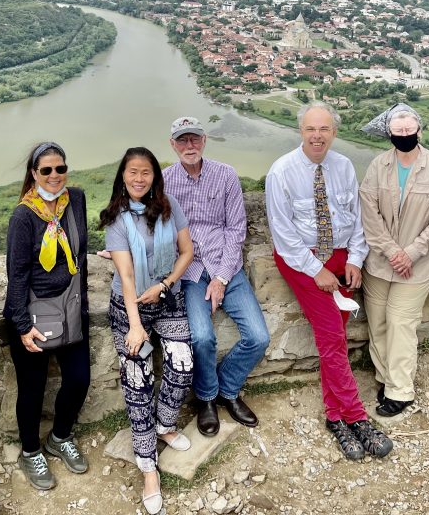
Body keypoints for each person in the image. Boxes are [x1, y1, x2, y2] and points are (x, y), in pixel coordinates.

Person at [265, 103, 393, 462]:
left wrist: (355, 259)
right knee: (334, 337)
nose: (317, 136)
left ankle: (335, 417)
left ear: (334, 132)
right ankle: (356, 416)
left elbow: (355, 219)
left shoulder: (344, 166)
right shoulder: (282, 172)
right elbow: (284, 235)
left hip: (338, 254)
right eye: (310, 129)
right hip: (300, 258)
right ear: (300, 131)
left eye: (324, 129)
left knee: (332, 338)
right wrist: (315, 269)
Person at [100, 147, 195, 515]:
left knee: (183, 365)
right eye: (132, 172)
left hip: (167, 296)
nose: (139, 179)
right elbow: (125, 275)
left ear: (155, 175)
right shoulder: (117, 218)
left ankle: (164, 424)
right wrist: (136, 324)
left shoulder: (168, 206)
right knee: (137, 381)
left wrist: (166, 284)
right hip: (130, 308)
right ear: (123, 175)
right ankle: (148, 466)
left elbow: (186, 251)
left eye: (146, 172)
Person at [163, 116, 269, 436]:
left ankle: (227, 388)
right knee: (202, 337)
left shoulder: (225, 175)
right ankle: (207, 397)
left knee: (258, 337)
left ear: (204, 140)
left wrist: (221, 278)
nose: (189, 146)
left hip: (227, 266)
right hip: (191, 271)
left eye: (194, 138)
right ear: (173, 145)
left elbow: (236, 229)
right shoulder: (165, 181)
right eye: (182, 140)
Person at [359, 106, 429, 417]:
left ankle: (400, 390)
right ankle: (386, 377)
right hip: (380, 261)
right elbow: (368, 210)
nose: (404, 136)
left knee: (402, 322)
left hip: (416, 265)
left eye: (409, 130)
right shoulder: (379, 165)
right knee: (377, 322)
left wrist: (411, 253)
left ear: (420, 131)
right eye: (398, 131)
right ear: (390, 134)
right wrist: (392, 251)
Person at [3, 142, 91, 490]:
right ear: (33, 174)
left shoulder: (77, 200)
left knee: (79, 379)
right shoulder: (24, 216)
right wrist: (22, 326)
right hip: (34, 315)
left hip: (70, 310)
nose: (55, 176)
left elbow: (80, 255)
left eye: (60, 169)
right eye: (46, 171)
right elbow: (17, 273)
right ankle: (30, 451)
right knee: (32, 389)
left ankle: (60, 437)